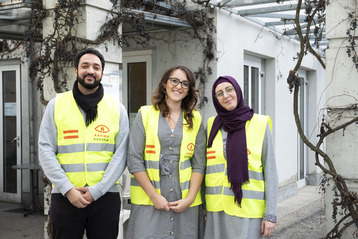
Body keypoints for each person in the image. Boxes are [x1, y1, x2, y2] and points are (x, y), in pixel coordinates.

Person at [38, 48, 129, 239]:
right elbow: (45, 149)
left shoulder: (117, 109)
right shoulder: (57, 105)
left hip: (105, 196)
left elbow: (121, 154)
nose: (90, 71)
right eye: (85, 66)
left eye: (96, 67)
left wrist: (97, 190)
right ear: (75, 71)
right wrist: (68, 189)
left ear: (102, 73)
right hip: (65, 196)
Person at [126, 66, 206, 239]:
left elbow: (199, 165)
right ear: (165, 84)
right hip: (150, 200)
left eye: (185, 83)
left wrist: (190, 199)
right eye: (174, 81)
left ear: (189, 90)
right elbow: (134, 160)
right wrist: (154, 196)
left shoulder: (196, 119)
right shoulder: (145, 114)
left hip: (184, 201)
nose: (179, 86)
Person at [204, 76, 278, 239]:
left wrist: (270, 214)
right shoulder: (211, 125)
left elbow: (270, 171)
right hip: (216, 210)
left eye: (229, 89)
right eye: (219, 93)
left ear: (237, 91)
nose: (226, 95)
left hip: (248, 211)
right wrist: (203, 206)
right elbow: (204, 169)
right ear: (216, 99)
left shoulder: (260, 124)